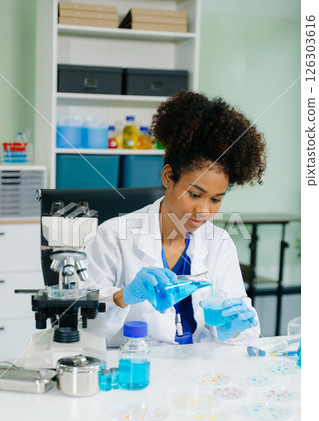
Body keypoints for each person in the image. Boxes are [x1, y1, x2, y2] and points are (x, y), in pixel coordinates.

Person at [83, 91, 267, 347]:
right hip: (138, 367)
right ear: (168, 176)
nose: (203, 211)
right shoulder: (113, 236)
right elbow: (83, 326)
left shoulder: (219, 242)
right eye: (194, 194)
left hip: (199, 372)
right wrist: (123, 297)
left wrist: (234, 330)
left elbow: (244, 332)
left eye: (216, 199)